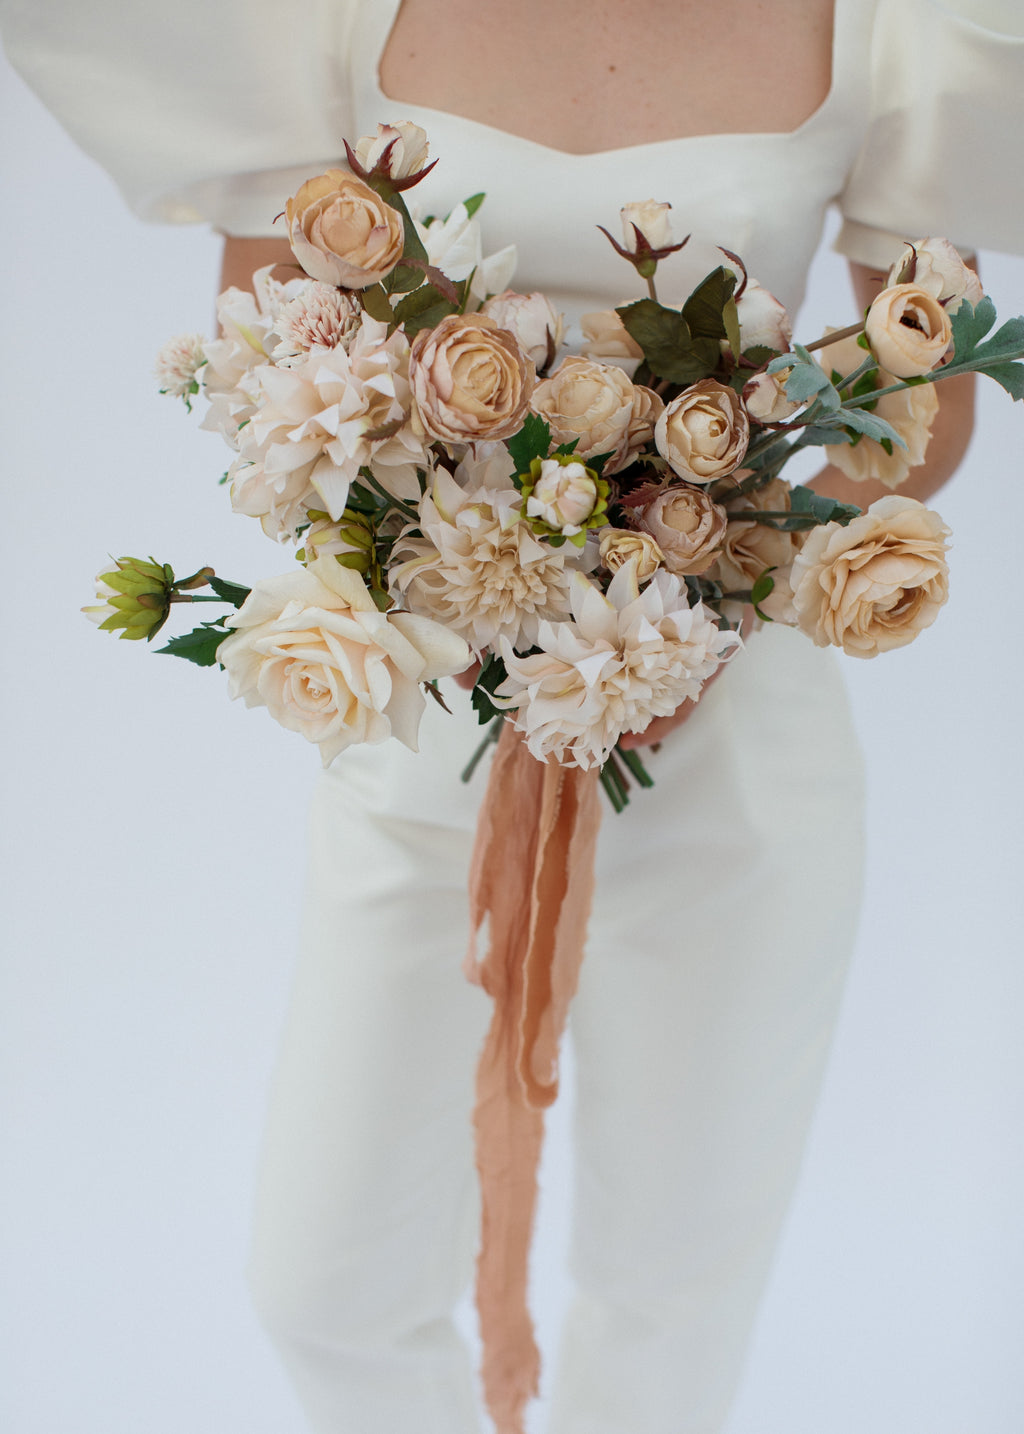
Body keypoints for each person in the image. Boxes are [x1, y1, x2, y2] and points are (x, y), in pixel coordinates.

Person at [3, 2, 1020, 1431]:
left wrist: (692, 589)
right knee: (325, 1282)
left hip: (734, 755)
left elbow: (929, 410)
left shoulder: (884, 25)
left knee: (673, 1305)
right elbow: (273, 377)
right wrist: (495, 575)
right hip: (427, 727)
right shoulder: (317, 14)